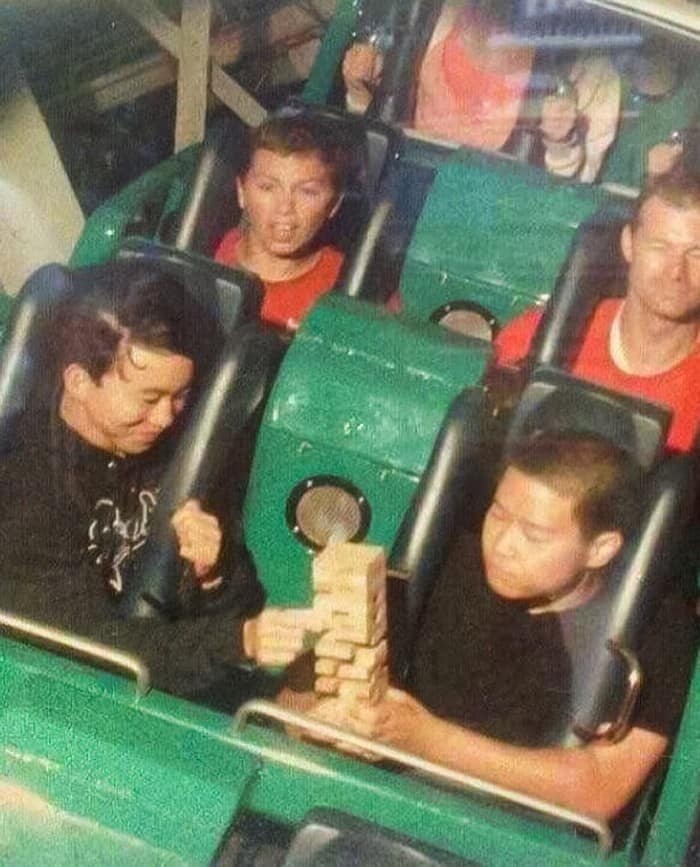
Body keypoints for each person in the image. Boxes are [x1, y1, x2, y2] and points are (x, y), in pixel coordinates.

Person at [336, 433, 697, 821]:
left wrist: (426, 740)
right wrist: (333, 714)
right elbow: (307, 693)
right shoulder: (444, 564)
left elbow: (599, 789)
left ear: (600, 549)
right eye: (498, 514)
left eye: (534, 535)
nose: (502, 545)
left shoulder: (658, 630)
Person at [0, 265, 293, 707]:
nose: (165, 418)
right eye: (149, 398)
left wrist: (216, 573)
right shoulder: (22, 482)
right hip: (54, 698)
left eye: (180, 396)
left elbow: (236, 605)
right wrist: (240, 641)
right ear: (79, 381)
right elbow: (93, 648)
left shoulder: (169, 448)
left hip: (168, 680)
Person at [495, 164, 700, 452]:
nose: (676, 271)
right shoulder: (531, 339)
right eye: (659, 247)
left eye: (696, 254)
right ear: (628, 244)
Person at [342, 0, 620, 181]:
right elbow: (364, 155)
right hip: (397, 196)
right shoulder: (417, 14)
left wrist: (561, 145)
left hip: (499, 226)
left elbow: (572, 204)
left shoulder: (589, 64)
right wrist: (359, 93)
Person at [214, 114, 351, 332]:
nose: (285, 207)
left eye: (307, 192)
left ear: (333, 204)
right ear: (241, 191)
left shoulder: (347, 285)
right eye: (267, 187)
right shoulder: (211, 251)